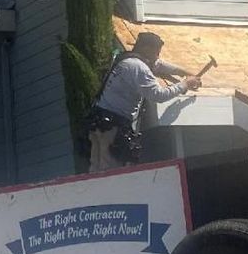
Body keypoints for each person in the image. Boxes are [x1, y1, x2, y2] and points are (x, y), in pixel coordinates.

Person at [83, 31, 203, 172]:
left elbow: (160, 65)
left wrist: (185, 73)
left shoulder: (125, 59)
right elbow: (158, 95)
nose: (157, 57)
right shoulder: (138, 67)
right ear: (146, 49)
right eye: (156, 52)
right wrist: (185, 84)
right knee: (109, 169)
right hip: (113, 126)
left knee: (96, 165)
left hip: (98, 121)